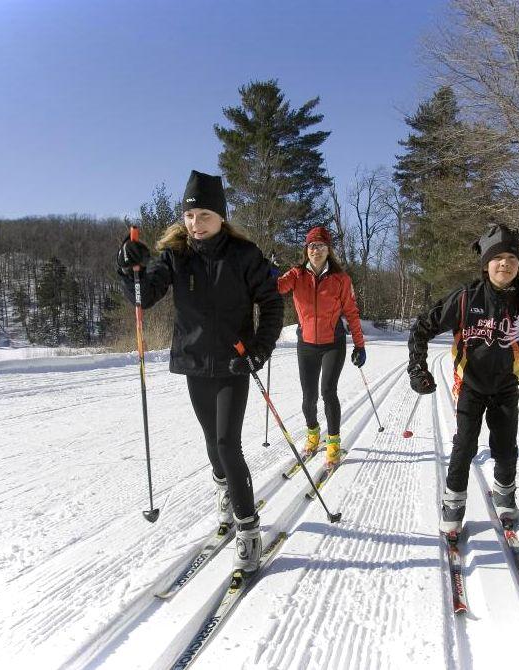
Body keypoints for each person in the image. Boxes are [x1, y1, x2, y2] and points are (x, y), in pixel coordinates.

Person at [116, 170, 283, 573]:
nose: (196, 223)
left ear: (221, 216)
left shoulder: (244, 255)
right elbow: (143, 296)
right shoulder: (176, 255)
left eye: (204, 215)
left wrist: (258, 351)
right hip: (194, 362)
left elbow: (272, 305)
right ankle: (225, 489)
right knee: (212, 443)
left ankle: (248, 528)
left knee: (227, 444)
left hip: (234, 362)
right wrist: (129, 267)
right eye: (190, 216)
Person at [406, 222, 519, 535]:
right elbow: (422, 327)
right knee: (464, 445)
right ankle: (453, 503)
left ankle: (504, 494)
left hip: (507, 385)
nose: (505, 264)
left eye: (512, 258)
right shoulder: (465, 297)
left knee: (505, 446)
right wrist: (417, 367)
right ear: (486, 264)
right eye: (497, 258)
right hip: (470, 384)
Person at [277, 226, 366, 470]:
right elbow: (276, 288)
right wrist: (269, 272)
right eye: (312, 246)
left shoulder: (340, 279)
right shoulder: (296, 274)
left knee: (328, 391)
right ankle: (313, 434)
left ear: (329, 250)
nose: (316, 250)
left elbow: (351, 312)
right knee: (309, 397)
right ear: (306, 249)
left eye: (321, 246)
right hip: (306, 344)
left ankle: (333, 443)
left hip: (332, 344)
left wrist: (359, 345)